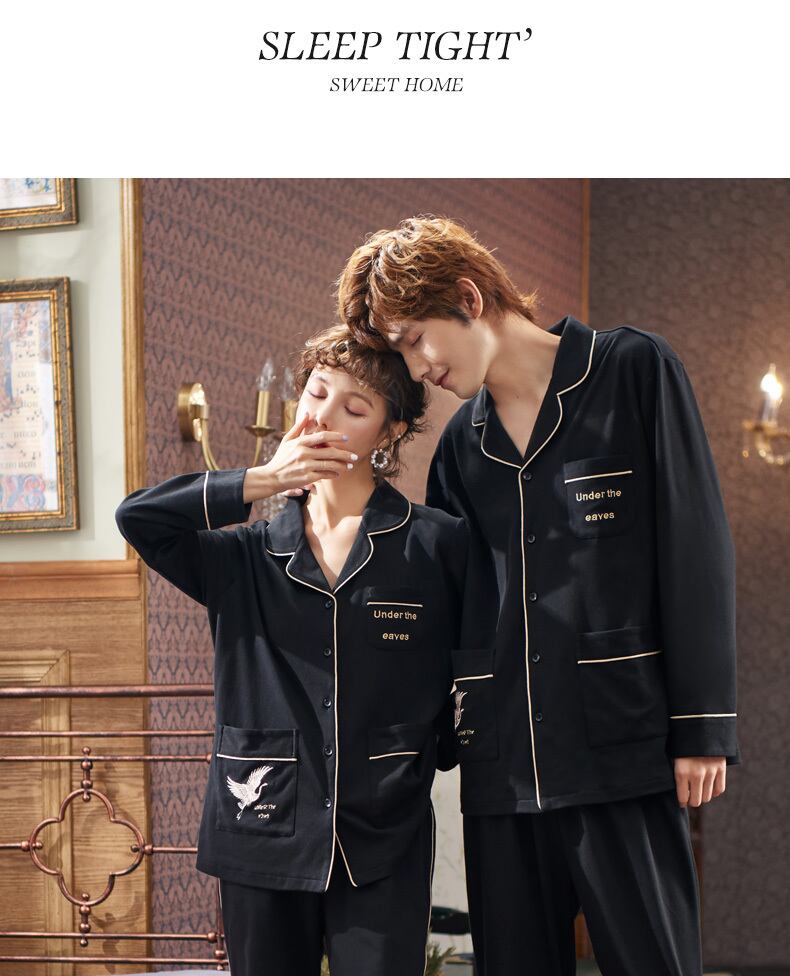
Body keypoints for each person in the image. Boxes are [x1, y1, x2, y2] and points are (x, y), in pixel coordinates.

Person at [336, 215, 741, 976]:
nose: (418, 367)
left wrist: (702, 725)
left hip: (622, 748)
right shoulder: (461, 449)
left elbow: (695, 547)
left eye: (416, 339)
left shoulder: (633, 371)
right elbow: (452, 610)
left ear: (467, 297)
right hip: (504, 772)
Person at [114, 323, 471, 976]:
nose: (324, 417)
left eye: (355, 408)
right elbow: (138, 518)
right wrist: (260, 479)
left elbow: (470, 663)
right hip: (261, 826)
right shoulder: (243, 557)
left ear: (389, 433)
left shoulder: (435, 545)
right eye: (316, 393)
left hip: (383, 833)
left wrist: (435, 746)